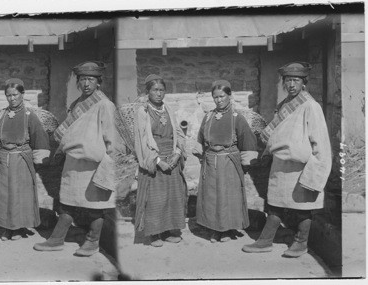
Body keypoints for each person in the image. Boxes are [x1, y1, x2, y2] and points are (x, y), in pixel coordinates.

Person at [242, 62, 332, 257]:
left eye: (296, 80)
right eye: (288, 80)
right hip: (280, 165)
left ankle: (301, 243)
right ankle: (265, 241)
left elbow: (321, 143)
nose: (291, 84)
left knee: (302, 208)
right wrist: (266, 155)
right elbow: (276, 135)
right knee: (274, 205)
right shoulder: (284, 106)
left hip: (300, 167)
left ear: (303, 83)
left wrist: (316, 172)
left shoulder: (311, 106)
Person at [33, 61, 117, 257]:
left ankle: (92, 241)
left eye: (90, 79)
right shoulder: (77, 104)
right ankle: (56, 240)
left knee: (95, 207)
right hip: (73, 163)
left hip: (94, 165)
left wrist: (109, 164)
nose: (86, 84)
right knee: (67, 203)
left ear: (98, 82)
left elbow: (112, 138)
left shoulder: (105, 105)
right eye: (82, 80)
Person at [194, 80, 258, 243]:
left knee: (228, 197)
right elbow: (200, 140)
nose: (219, 100)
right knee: (212, 197)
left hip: (229, 163)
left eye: (222, 96)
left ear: (229, 95)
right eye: (215, 97)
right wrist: (203, 156)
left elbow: (248, 143)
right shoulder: (208, 117)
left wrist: (244, 164)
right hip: (210, 163)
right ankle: (214, 230)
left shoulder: (238, 118)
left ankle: (227, 230)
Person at [0, 78, 50, 241]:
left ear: (22, 94)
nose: (12, 98)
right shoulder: (1, 114)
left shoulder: (30, 115)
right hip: (2, 160)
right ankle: (5, 228)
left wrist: (38, 159)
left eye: (15, 94)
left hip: (21, 160)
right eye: (8, 95)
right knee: (3, 194)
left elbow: (40, 139)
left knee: (19, 195)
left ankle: (18, 228)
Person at [133, 74, 187, 247]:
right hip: (154, 160)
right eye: (155, 90)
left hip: (171, 158)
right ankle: (154, 234)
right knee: (155, 199)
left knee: (173, 197)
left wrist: (177, 153)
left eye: (162, 90)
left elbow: (177, 133)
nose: (159, 93)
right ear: (147, 91)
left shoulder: (168, 109)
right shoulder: (143, 111)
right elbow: (142, 141)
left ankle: (171, 230)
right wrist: (157, 162)